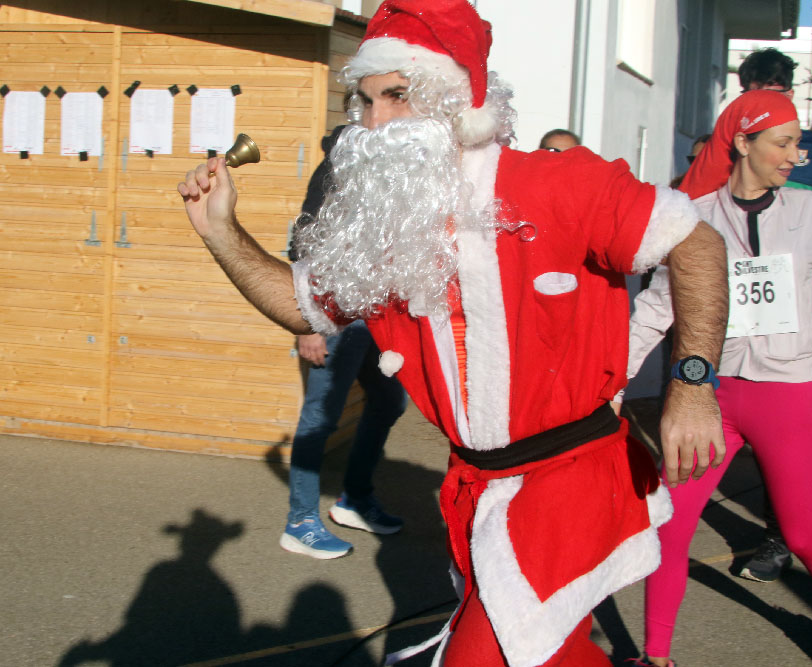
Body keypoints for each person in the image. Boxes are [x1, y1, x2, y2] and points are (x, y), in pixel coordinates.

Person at [178, 1, 727, 664]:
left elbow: (695, 242)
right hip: (474, 491)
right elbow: (300, 305)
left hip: (571, 484)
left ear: (456, 100)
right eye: (366, 100)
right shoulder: (388, 229)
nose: (376, 120)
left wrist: (692, 383)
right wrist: (220, 231)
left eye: (399, 96)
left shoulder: (557, 184)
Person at [625, 90, 812, 667]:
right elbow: (656, 310)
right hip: (707, 400)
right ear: (743, 142)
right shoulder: (693, 217)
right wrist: (608, 379)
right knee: (669, 526)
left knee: (803, 537)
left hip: (786, 399)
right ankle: (656, 657)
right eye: (783, 143)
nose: (795, 156)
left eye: (797, 143)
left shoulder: (810, 212)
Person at [281, 124, 407, 560]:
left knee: (390, 401)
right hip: (332, 316)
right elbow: (301, 243)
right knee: (319, 418)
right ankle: (299, 522)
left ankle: (353, 499)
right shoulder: (338, 166)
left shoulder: (391, 170)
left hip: (374, 316)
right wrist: (306, 324)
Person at [735, 46, 812, 582]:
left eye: (775, 88)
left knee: (787, 431)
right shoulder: (732, 142)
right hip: (730, 313)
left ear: (790, 92)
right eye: (755, 89)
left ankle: (779, 537)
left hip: (801, 314)